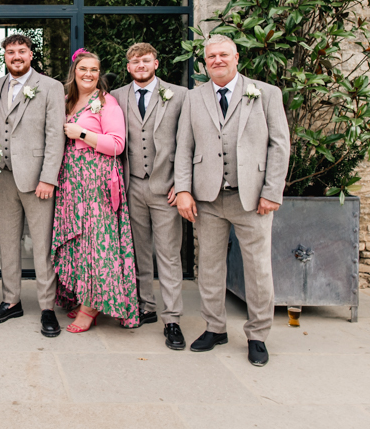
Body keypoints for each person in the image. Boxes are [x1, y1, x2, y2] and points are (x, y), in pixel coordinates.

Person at [174, 34, 289, 367]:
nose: (217, 60)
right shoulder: (195, 98)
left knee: (257, 270)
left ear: (236, 57)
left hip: (252, 198)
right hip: (208, 199)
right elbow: (185, 147)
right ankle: (215, 327)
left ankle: (257, 335)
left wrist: (272, 191)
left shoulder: (266, 93)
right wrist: (183, 189)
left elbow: (279, 146)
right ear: (205, 62)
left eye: (223, 54)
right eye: (211, 56)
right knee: (209, 267)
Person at [52, 49, 138, 332]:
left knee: (97, 243)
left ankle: (90, 308)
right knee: (79, 241)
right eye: (83, 69)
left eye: (94, 70)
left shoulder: (106, 102)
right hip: (70, 181)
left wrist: (83, 134)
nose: (88, 74)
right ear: (74, 72)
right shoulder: (67, 101)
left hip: (96, 181)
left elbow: (117, 144)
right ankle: (84, 295)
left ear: (99, 74)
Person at [111, 42, 189, 349]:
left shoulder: (180, 95)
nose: (140, 66)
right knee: (139, 250)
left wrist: (182, 185)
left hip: (166, 187)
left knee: (168, 254)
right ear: (128, 67)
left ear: (155, 63)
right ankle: (146, 306)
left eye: (145, 60)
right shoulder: (116, 96)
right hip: (132, 187)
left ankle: (172, 319)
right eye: (134, 62)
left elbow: (188, 143)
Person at [0, 34, 66, 338]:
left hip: (37, 179)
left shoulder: (51, 87)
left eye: (21, 51)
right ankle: (11, 300)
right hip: (4, 175)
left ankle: (47, 306)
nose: (16, 56)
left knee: (42, 245)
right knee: (7, 241)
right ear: (5, 57)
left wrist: (49, 177)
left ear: (31, 55)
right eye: (11, 52)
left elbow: (55, 136)